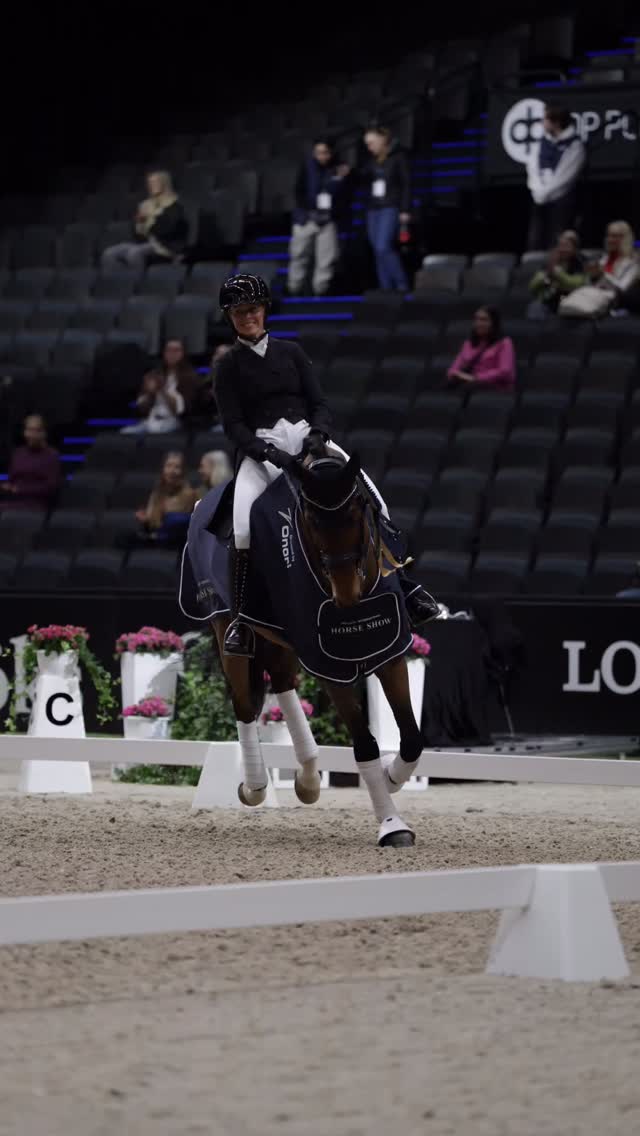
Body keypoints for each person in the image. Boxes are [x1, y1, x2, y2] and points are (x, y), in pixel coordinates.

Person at [214, 274, 439, 656]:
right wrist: (270, 455)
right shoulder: (227, 366)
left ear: (264, 310)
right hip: (264, 450)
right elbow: (233, 425)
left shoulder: (292, 353)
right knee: (241, 526)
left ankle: (407, 587)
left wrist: (317, 435)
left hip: (308, 440)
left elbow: (319, 403)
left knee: (373, 497)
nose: (246, 317)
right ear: (231, 317)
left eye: (251, 309)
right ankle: (241, 620)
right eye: (238, 312)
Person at [287, 139, 351, 297]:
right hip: (305, 218)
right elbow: (298, 191)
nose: (322, 156)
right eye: (319, 152)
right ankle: (294, 288)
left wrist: (344, 178)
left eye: (325, 152)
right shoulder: (306, 167)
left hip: (328, 219)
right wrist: (308, 211)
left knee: (326, 258)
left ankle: (321, 290)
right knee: (299, 254)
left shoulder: (339, 168)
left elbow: (345, 195)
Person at [101, 171, 188, 271]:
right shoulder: (146, 205)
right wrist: (139, 223)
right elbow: (139, 235)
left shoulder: (175, 205)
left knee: (134, 253)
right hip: (146, 243)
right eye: (150, 183)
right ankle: (121, 281)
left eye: (155, 182)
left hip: (167, 246)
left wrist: (150, 221)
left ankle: (137, 283)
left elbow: (167, 230)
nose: (151, 186)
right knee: (109, 253)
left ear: (165, 183)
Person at [526, 104, 585, 251]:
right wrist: (538, 192)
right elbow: (532, 169)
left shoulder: (575, 145)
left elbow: (565, 177)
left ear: (556, 122)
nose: (542, 122)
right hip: (539, 200)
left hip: (561, 202)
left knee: (557, 245)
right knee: (534, 243)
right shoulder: (540, 143)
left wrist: (545, 193)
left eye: (545, 118)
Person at [362, 126, 411, 292]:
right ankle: (385, 288)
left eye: (371, 143)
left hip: (390, 206)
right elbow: (363, 178)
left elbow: (406, 184)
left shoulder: (398, 157)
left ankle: (401, 284)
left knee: (383, 246)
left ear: (382, 141)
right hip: (373, 208)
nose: (369, 147)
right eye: (367, 144)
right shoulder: (371, 160)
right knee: (377, 250)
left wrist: (405, 209)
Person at [122, 339, 197, 435]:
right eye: (169, 350)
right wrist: (150, 393)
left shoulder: (190, 377)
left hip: (175, 422)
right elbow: (142, 408)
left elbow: (181, 410)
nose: (172, 354)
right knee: (125, 434)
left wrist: (162, 389)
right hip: (150, 420)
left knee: (156, 433)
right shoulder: (154, 374)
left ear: (184, 353)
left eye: (176, 350)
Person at [134, 451, 197, 547]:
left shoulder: (189, 494)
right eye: (168, 466)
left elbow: (174, 524)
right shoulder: (157, 493)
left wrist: (153, 518)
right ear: (163, 469)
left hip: (174, 542)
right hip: (154, 538)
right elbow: (152, 523)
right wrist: (145, 520)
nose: (172, 471)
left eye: (177, 467)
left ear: (183, 471)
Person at [0, 414, 61, 511]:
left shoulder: (52, 456)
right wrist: (6, 486)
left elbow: (51, 488)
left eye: (35, 431)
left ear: (44, 433)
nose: (31, 434)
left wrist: (21, 489)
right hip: (14, 501)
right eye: (28, 430)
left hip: (38, 504)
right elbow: (11, 480)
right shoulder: (18, 453)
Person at [447, 306, 516, 390]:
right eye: (476, 319)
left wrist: (476, 378)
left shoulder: (504, 342)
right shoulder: (468, 344)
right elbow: (454, 369)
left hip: (495, 387)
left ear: (494, 323)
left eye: (484, 320)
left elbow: (505, 372)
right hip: (469, 384)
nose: (478, 323)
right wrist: (455, 374)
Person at [528, 230, 586, 318]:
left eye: (566, 246)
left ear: (575, 248)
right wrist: (547, 274)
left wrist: (557, 273)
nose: (562, 249)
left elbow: (576, 284)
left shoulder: (580, 262)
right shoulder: (551, 261)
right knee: (535, 307)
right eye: (560, 246)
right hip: (549, 302)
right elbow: (532, 287)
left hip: (572, 302)